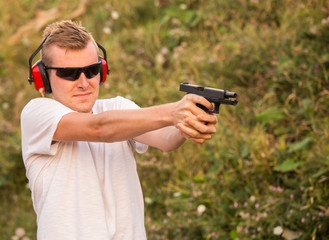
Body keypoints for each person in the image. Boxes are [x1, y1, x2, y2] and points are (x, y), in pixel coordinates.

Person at [21, 20, 218, 240]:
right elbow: (100, 128)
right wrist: (172, 112)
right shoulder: (37, 114)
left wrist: (191, 119)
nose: (84, 83)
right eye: (70, 74)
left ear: (102, 70)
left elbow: (166, 140)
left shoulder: (117, 108)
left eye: (91, 70)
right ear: (44, 77)